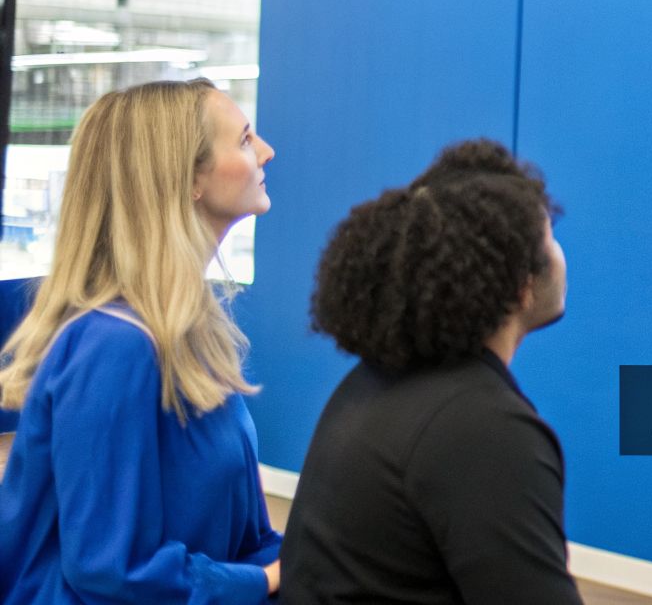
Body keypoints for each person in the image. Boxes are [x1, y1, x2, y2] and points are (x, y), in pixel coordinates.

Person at [0, 79, 282, 603]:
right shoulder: (111, 347)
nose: (266, 150)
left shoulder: (194, 333)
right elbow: (110, 570)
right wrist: (263, 580)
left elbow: (248, 538)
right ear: (186, 178)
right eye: (244, 140)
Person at [279, 139, 583, 604]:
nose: (562, 255)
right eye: (552, 237)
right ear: (522, 287)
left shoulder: (372, 382)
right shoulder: (486, 430)